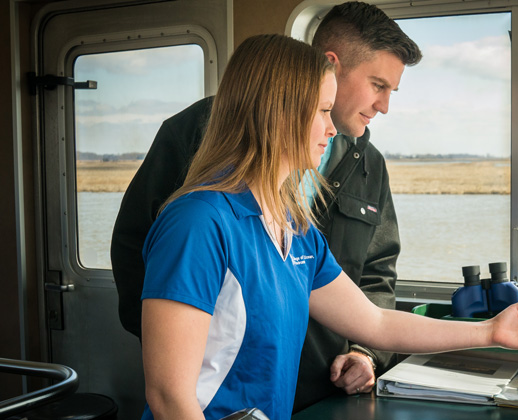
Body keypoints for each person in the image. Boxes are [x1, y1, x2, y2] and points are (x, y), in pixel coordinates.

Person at [140, 33, 518, 420]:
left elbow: (376, 324)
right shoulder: (198, 224)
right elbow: (169, 396)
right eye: (323, 111)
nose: (331, 128)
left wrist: (490, 331)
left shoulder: (294, 229)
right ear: (278, 114)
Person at [110, 1, 421, 411]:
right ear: (331, 64)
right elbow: (142, 253)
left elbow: (376, 286)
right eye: (378, 85)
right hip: (222, 388)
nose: (384, 105)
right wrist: (186, 348)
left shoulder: (356, 176)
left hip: (321, 384)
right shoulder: (194, 152)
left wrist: (366, 353)